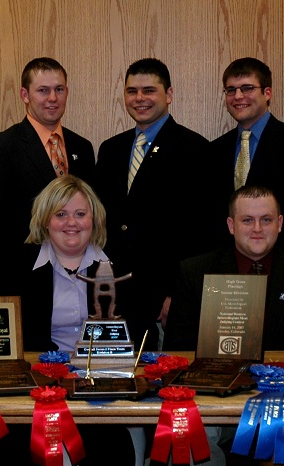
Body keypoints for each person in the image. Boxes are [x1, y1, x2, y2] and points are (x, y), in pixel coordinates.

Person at [0, 176, 137, 466]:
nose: (71, 223)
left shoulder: (121, 267)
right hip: (32, 390)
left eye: (80, 214)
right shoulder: (13, 266)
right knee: (5, 447)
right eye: (60, 214)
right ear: (44, 220)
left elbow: (134, 334)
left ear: (95, 220)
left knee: (112, 449)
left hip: (99, 391)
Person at [149, 185, 284, 466]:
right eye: (247, 220)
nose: (257, 229)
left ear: (280, 223)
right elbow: (178, 349)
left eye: (266, 220)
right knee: (186, 426)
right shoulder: (195, 270)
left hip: (282, 399)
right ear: (231, 225)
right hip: (214, 397)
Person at [89, 58, 215, 341]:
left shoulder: (195, 150)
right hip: (114, 293)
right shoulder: (111, 150)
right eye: (132, 91)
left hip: (164, 296)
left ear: (169, 95)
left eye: (149, 90)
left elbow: (202, 232)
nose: (139, 98)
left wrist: (178, 293)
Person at [0, 57, 95, 294]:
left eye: (59, 89)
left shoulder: (83, 148)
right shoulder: (1, 148)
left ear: (67, 92)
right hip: (22, 283)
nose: (52, 98)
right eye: (43, 90)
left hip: (79, 280)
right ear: (24, 95)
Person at [208, 57, 284, 253]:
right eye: (231, 90)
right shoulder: (215, 150)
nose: (238, 96)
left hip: (283, 267)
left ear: (267, 93)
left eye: (247, 88)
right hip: (227, 270)